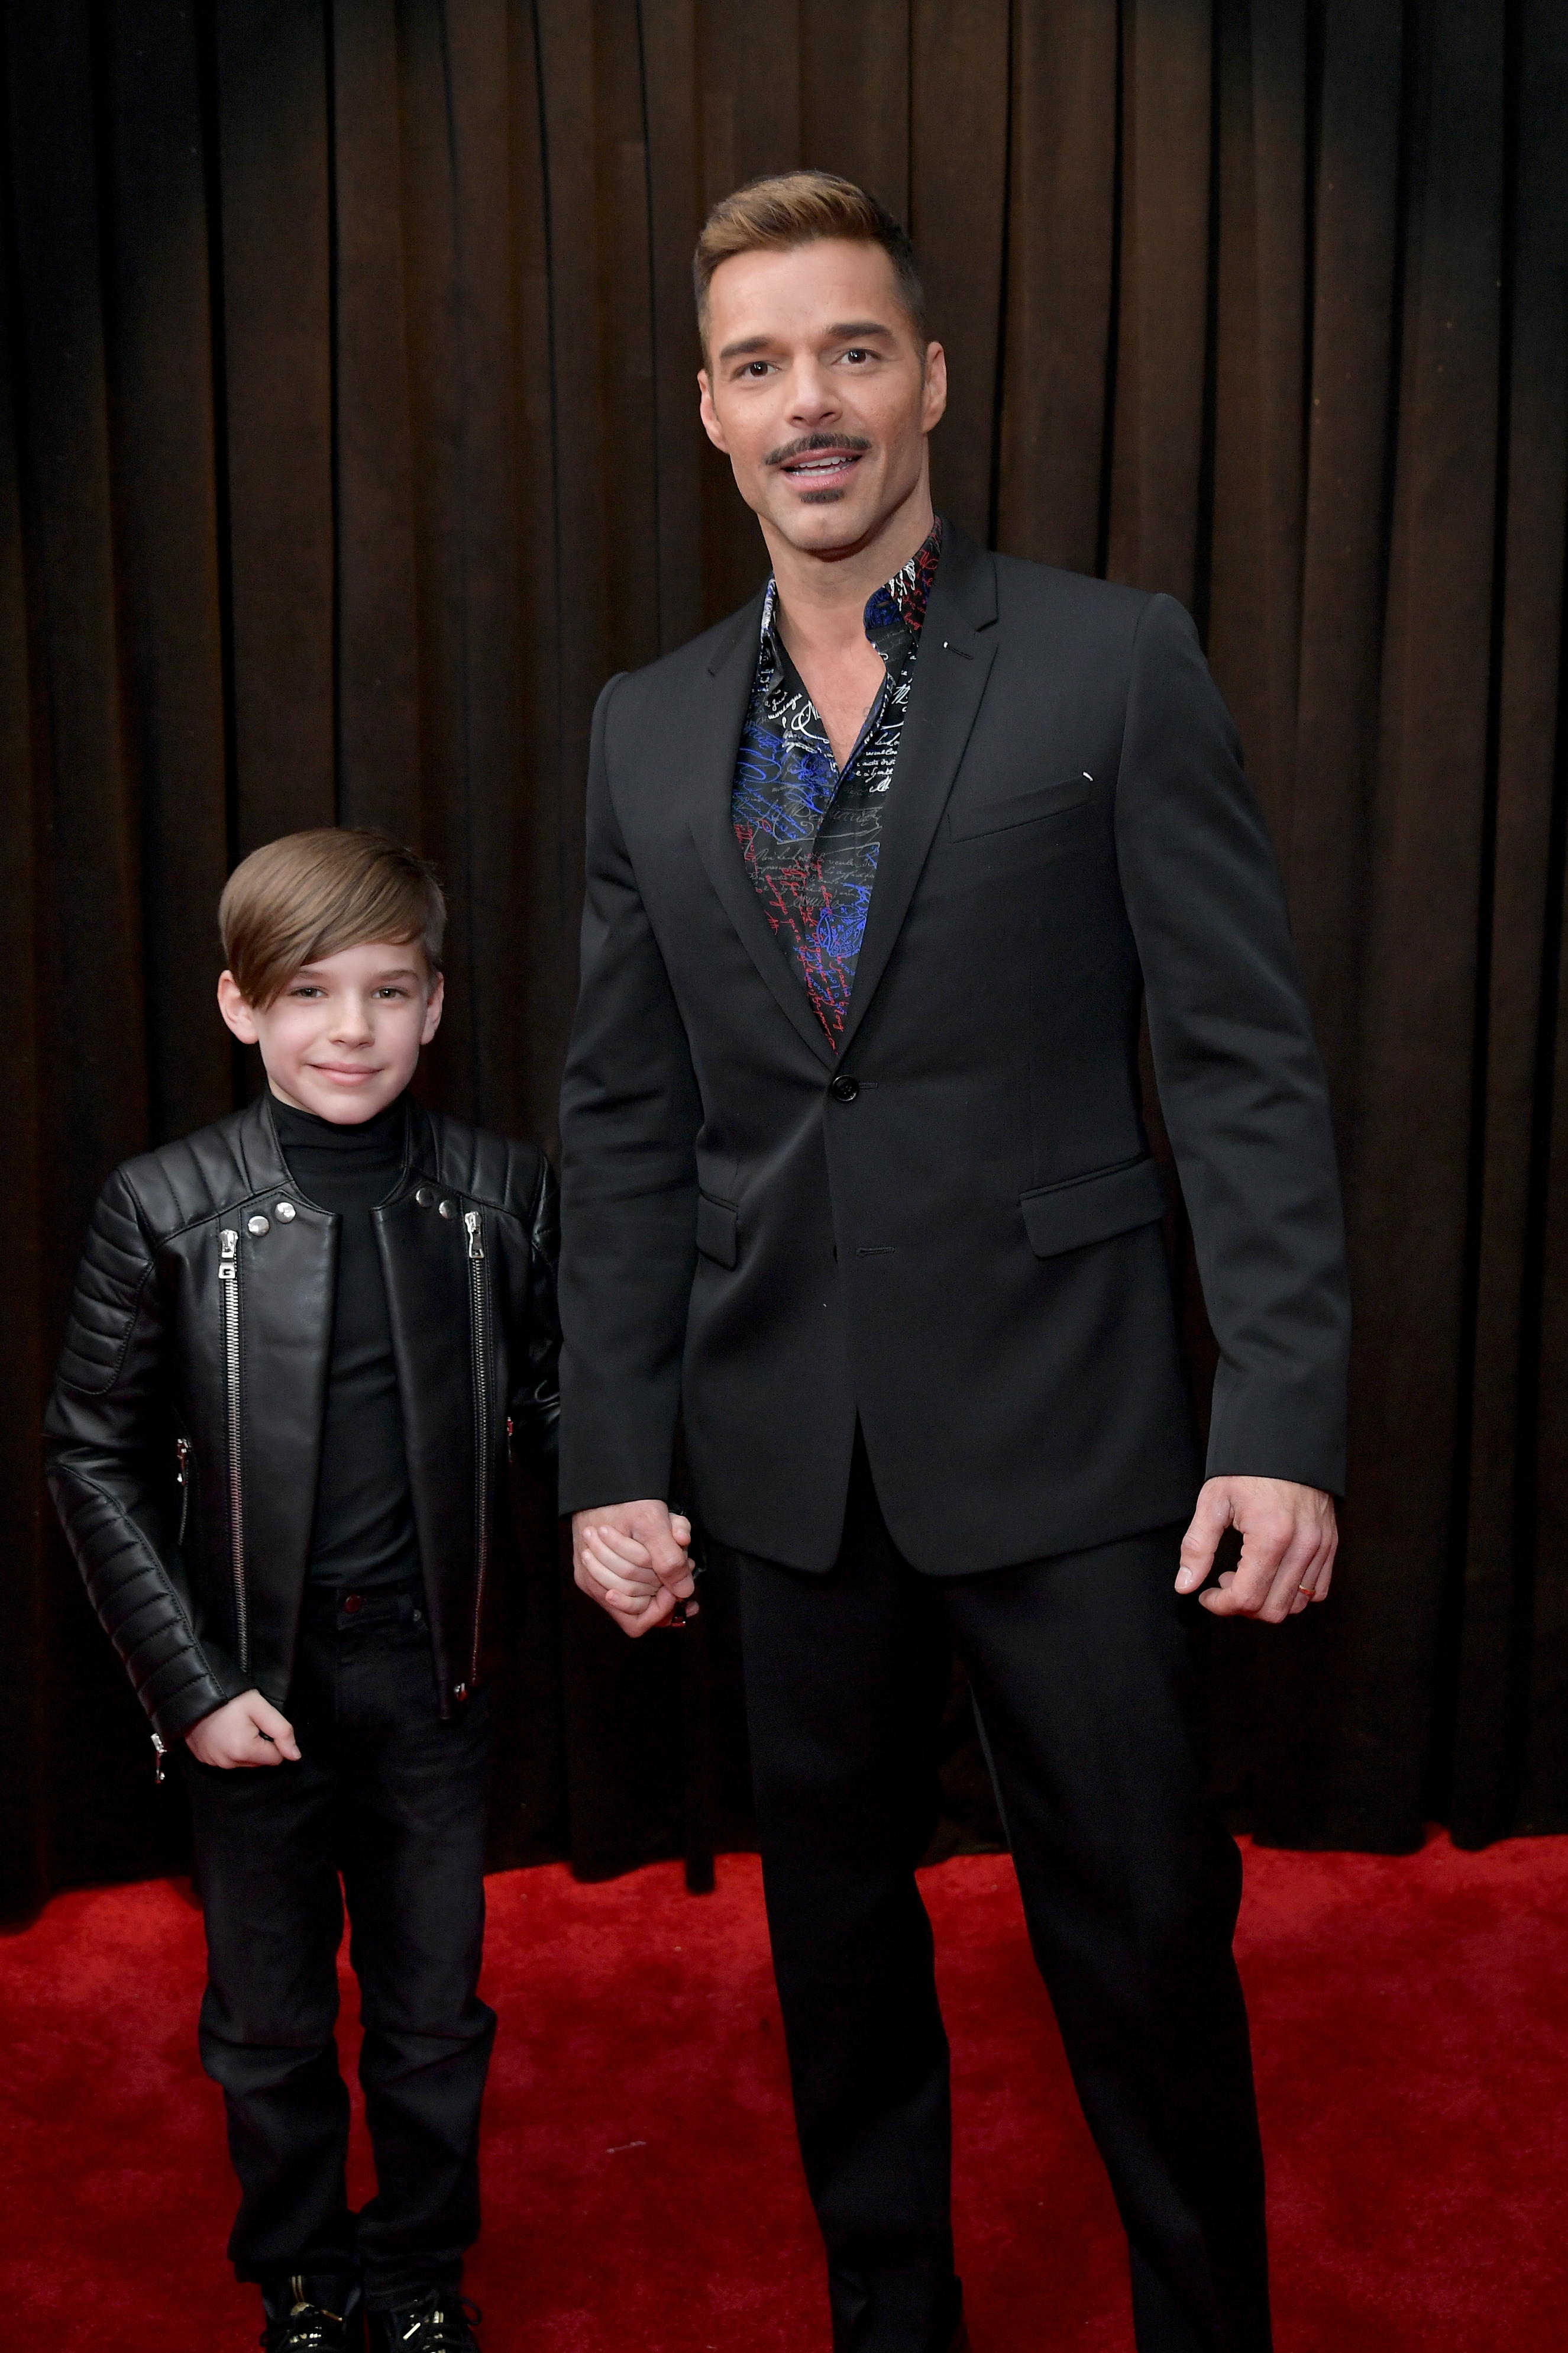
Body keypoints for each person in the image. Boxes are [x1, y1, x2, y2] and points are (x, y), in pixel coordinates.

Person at [557, 172, 1349, 2353]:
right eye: (756, 365)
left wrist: (1274, 1417)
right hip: (780, 1453)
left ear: (925, 378)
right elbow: (627, 1118)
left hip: (1076, 1433)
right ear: (706, 415)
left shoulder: (1113, 655)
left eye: (848, 350)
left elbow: (1245, 1062)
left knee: (1142, 1937)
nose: (806, 401)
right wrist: (611, 1446)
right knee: (834, 1953)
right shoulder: (642, 723)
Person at [44, 828, 561, 2353]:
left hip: (430, 1675)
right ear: (239, 1005)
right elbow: (90, 1455)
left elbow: (556, 1410)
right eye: (311, 992)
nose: (352, 1030)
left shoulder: (503, 1198)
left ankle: (413, 2279)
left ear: (438, 1004)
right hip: (247, 1684)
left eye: (389, 991)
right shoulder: (163, 1206)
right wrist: (191, 1692)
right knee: (267, 2023)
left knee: (431, 2017)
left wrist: (637, 1511)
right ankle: (303, 2281)